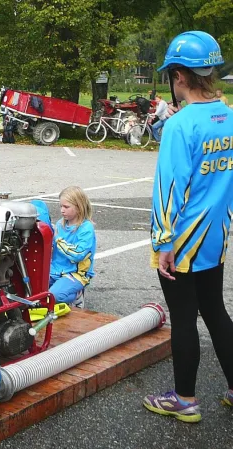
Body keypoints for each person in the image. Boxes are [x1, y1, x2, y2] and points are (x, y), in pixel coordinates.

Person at [144, 30, 233, 423]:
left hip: (181, 240)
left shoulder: (180, 125)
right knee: (215, 310)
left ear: (178, 76)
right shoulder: (229, 117)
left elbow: (169, 188)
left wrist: (163, 241)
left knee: (183, 318)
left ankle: (184, 399)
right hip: (216, 236)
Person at [46, 186, 96, 307]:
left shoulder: (86, 228)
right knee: (33, 290)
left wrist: (57, 239)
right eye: (61, 206)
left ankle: (77, 295)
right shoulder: (60, 224)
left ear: (79, 207)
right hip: (55, 270)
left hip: (75, 274)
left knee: (53, 296)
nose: (62, 210)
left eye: (66, 207)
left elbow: (78, 255)